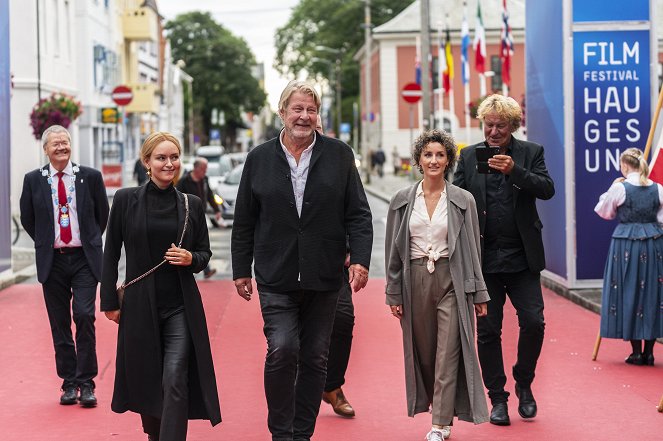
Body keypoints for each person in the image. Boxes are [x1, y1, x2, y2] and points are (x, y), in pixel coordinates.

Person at [232, 80, 373, 441]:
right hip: (275, 274)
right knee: (282, 348)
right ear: (282, 113)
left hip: (324, 276)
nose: (304, 116)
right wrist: (240, 269)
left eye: (311, 110)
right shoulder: (259, 159)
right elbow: (245, 218)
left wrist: (359, 258)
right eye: (297, 109)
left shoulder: (339, 155)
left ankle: (301, 434)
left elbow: (358, 212)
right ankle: (281, 433)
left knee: (314, 358)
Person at [100, 132, 221, 441]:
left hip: (180, 305)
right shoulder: (126, 200)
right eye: (161, 158)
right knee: (147, 377)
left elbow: (205, 253)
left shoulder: (191, 204)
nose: (170, 164)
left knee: (175, 377)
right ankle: (155, 435)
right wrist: (109, 302)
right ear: (147, 163)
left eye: (174, 157)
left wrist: (190, 257)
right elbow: (111, 251)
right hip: (140, 305)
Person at [453, 94, 555, 426]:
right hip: (484, 261)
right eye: (489, 125)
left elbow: (547, 189)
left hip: (523, 258)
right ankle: (498, 398)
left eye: (501, 125)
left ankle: (524, 382)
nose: (494, 131)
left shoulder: (530, 152)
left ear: (513, 125)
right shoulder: (469, 156)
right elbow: (455, 199)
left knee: (534, 323)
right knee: (487, 330)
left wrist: (516, 171)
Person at [385, 129, 489, 441]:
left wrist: (479, 292)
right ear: (418, 160)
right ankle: (435, 405)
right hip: (415, 279)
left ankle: (440, 424)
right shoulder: (401, 201)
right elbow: (394, 250)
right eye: (428, 154)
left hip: (452, 280)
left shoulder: (462, 200)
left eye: (440, 155)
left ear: (448, 160)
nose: (433, 160)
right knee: (425, 353)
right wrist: (393, 291)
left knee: (448, 352)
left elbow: (473, 249)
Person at [19, 124, 109, 407]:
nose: (61, 147)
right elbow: (28, 218)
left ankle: (87, 382)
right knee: (59, 324)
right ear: (45, 149)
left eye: (65, 142)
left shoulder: (90, 177)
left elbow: (101, 215)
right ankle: (69, 383)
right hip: (53, 261)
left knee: (84, 316)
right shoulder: (34, 179)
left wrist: (90, 241)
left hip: (84, 258)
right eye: (55, 143)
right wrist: (47, 241)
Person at [594, 147, 663, 366]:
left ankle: (635, 352)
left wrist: (611, 188)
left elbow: (604, 212)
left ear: (624, 165)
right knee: (652, 292)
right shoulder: (658, 188)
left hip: (626, 245)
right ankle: (649, 352)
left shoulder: (620, 188)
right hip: (654, 244)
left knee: (629, 290)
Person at [314, 115, 357, 418]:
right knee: (297, 331)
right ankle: (303, 386)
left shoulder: (339, 159)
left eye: (317, 129)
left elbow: (356, 209)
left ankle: (332, 385)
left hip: (333, 261)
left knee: (343, 319)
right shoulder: (279, 163)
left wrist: (353, 251)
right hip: (291, 264)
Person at [176, 156, 221, 278]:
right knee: (190, 241)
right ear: (196, 168)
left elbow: (210, 196)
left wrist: (217, 210)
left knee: (201, 242)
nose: (205, 172)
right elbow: (177, 197)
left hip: (202, 215)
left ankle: (205, 269)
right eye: (203, 169)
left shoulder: (204, 179)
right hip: (187, 217)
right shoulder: (184, 181)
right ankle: (195, 268)